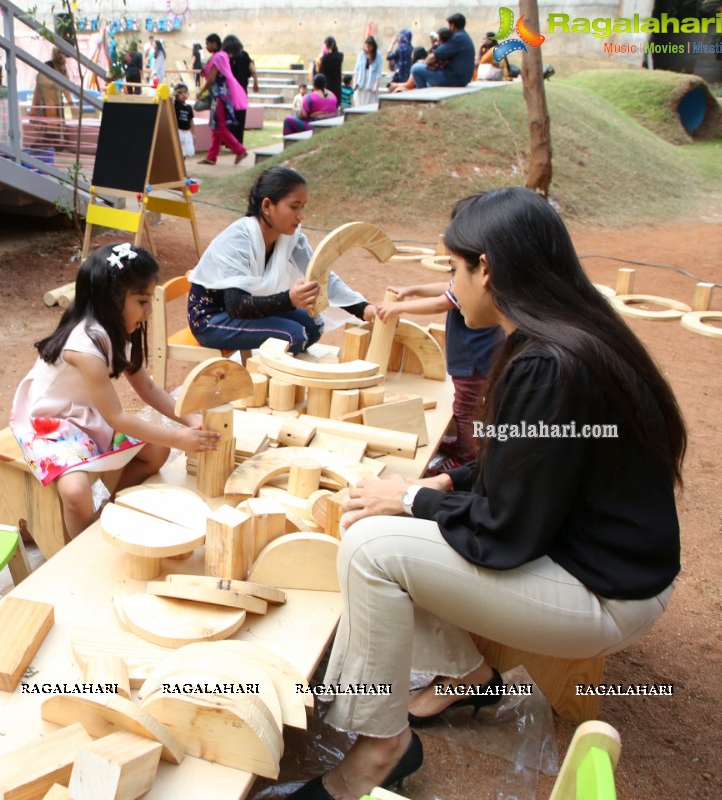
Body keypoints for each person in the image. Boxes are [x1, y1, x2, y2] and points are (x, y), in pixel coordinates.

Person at [291, 187, 684, 800]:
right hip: (609, 564)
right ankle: (465, 674)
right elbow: (525, 460)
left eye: (454, 269)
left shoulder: (546, 362)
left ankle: (378, 752)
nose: (450, 285)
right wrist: (443, 481)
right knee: (398, 523)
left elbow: (507, 528)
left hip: (604, 591)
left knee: (372, 547)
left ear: (488, 269)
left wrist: (415, 501)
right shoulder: (563, 337)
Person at [11, 243, 220, 538]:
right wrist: (180, 438)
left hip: (86, 414)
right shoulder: (86, 347)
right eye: (142, 301)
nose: (148, 312)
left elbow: (146, 387)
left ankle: (108, 511)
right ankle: (83, 542)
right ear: (112, 300)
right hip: (50, 423)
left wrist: (188, 420)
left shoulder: (119, 328)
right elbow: (117, 418)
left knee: (157, 450)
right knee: (75, 491)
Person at [187, 167, 374, 356]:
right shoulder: (238, 240)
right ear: (267, 206)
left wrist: (363, 309)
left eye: (303, 206)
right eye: (294, 207)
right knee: (294, 336)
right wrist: (289, 299)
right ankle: (264, 381)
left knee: (314, 326)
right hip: (212, 319)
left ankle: (276, 372)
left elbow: (320, 275)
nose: (301, 215)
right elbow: (236, 306)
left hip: (243, 311)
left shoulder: (289, 237)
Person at [374, 280, 503, 467]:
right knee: (469, 406)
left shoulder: (474, 281)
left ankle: (465, 460)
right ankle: (463, 445)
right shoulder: (473, 274)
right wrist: (412, 288)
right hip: (477, 354)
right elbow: (448, 287)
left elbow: (441, 303)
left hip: (473, 357)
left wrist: (397, 307)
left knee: (466, 409)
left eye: (455, 265)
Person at [196, 33, 249, 166]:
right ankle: (211, 157)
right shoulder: (220, 56)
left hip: (219, 96)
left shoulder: (218, 57)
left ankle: (240, 150)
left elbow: (212, 79)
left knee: (219, 127)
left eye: (208, 43)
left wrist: (202, 91)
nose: (207, 46)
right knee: (216, 127)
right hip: (221, 96)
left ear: (214, 43)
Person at [27, 48, 72, 163]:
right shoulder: (48, 67)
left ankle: (53, 140)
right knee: (50, 116)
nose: (63, 57)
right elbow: (43, 85)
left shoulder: (60, 68)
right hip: (49, 100)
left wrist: (71, 103)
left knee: (54, 115)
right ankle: (50, 140)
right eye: (61, 54)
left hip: (55, 102)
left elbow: (65, 87)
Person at [411, 12, 476, 88]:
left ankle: (422, 96)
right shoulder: (464, 36)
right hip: (461, 78)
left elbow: (433, 57)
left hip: (455, 79)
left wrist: (424, 62)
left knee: (416, 68)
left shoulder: (457, 38)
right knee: (429, 81)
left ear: (452, 26)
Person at [223, 35, 258, 147]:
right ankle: (238, 142)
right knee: (240, 117)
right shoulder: (244, 55)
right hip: (242, 92)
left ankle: (228, 141)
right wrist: (256, 83)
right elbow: (252, 70)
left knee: (228, 115)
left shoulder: (225, 57)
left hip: (228, 92)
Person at [352, 36, 382, 107]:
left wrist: (376, 84)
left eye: (369, 47)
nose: (367, 49)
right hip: (361, 82)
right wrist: (355, 82)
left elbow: (378, 72)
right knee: (359, 101)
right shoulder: (361, 55)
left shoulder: (378, 55)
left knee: (371, 102)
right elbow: (356, 70)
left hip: (371, 82)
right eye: (366, 47)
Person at [318, 36, 344, 105]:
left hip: (327, 85)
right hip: (337, 84)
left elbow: (321, 71)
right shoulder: (340, 56)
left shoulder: (325, 57)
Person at [173, 82, 196, 157]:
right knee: (178, 151)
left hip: (187, 133)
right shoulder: (175, 105)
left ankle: (182, 167)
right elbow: (168, 99)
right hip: (178, 132)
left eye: (185, 92)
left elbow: (191, 121)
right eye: (180, 92)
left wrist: (194, 134)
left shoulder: (189, 107)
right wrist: (173, 94)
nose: (183, 94)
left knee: (185, 152)